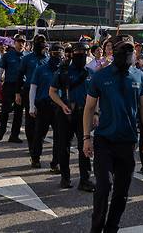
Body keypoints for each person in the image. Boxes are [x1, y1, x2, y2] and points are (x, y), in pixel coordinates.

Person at [83, 35, 143, 233]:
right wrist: (86, 138)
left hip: (128, 142)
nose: (128, 54)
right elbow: (89, 108)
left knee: (121, 193)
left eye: (130, 50)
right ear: (113, 51)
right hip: (104, 141)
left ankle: (111, 228)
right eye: (123, 50)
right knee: (104, 187)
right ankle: (96, 228)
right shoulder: (100, 76)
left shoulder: (139, 76)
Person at [49, 42, 96, 192]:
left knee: (85, 146)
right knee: (64, 146)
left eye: (85, 51)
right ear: (73, 53)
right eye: (78, 51)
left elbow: (97, 96)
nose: (81, 54)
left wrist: (95, 113)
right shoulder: (63, 71)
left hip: (84, 114)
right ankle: (65, 177)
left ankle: (85, 179)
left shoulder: (90, 73)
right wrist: (62, 105)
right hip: (65, 113)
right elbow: (52, 91)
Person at [29, 43, 64, 171]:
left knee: (59, 136)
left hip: (59, 106)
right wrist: (31, 106)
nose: (57, 57)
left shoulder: (63, 70)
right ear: (50, 54)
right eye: (55, 54)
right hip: (43, 106)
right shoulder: (40, 69)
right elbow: (33, 88)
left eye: (60, 54)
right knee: (39, 134)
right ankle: (35, 158)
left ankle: (56, 162)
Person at [18, 34, 51, 164]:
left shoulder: (48, 59)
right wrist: (17, 93)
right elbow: (20, 75)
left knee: (41, 124)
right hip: (28, 91)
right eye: (39, 41)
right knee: (30, 121)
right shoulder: (27, 59)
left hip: (44, 94)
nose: (42, 44)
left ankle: (36, 149)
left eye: (43, 42)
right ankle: (32, 146)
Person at [0, 34, 26, 143]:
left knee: (18, 112)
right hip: (9, 85)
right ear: (14, 42)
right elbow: (0, 71)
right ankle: (2, 129)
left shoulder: (26, 56)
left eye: (23, 42)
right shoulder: (8, 55)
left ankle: (14, 135)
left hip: (21, 87)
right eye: (19, 41)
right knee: (5, 110)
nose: (21, 44)